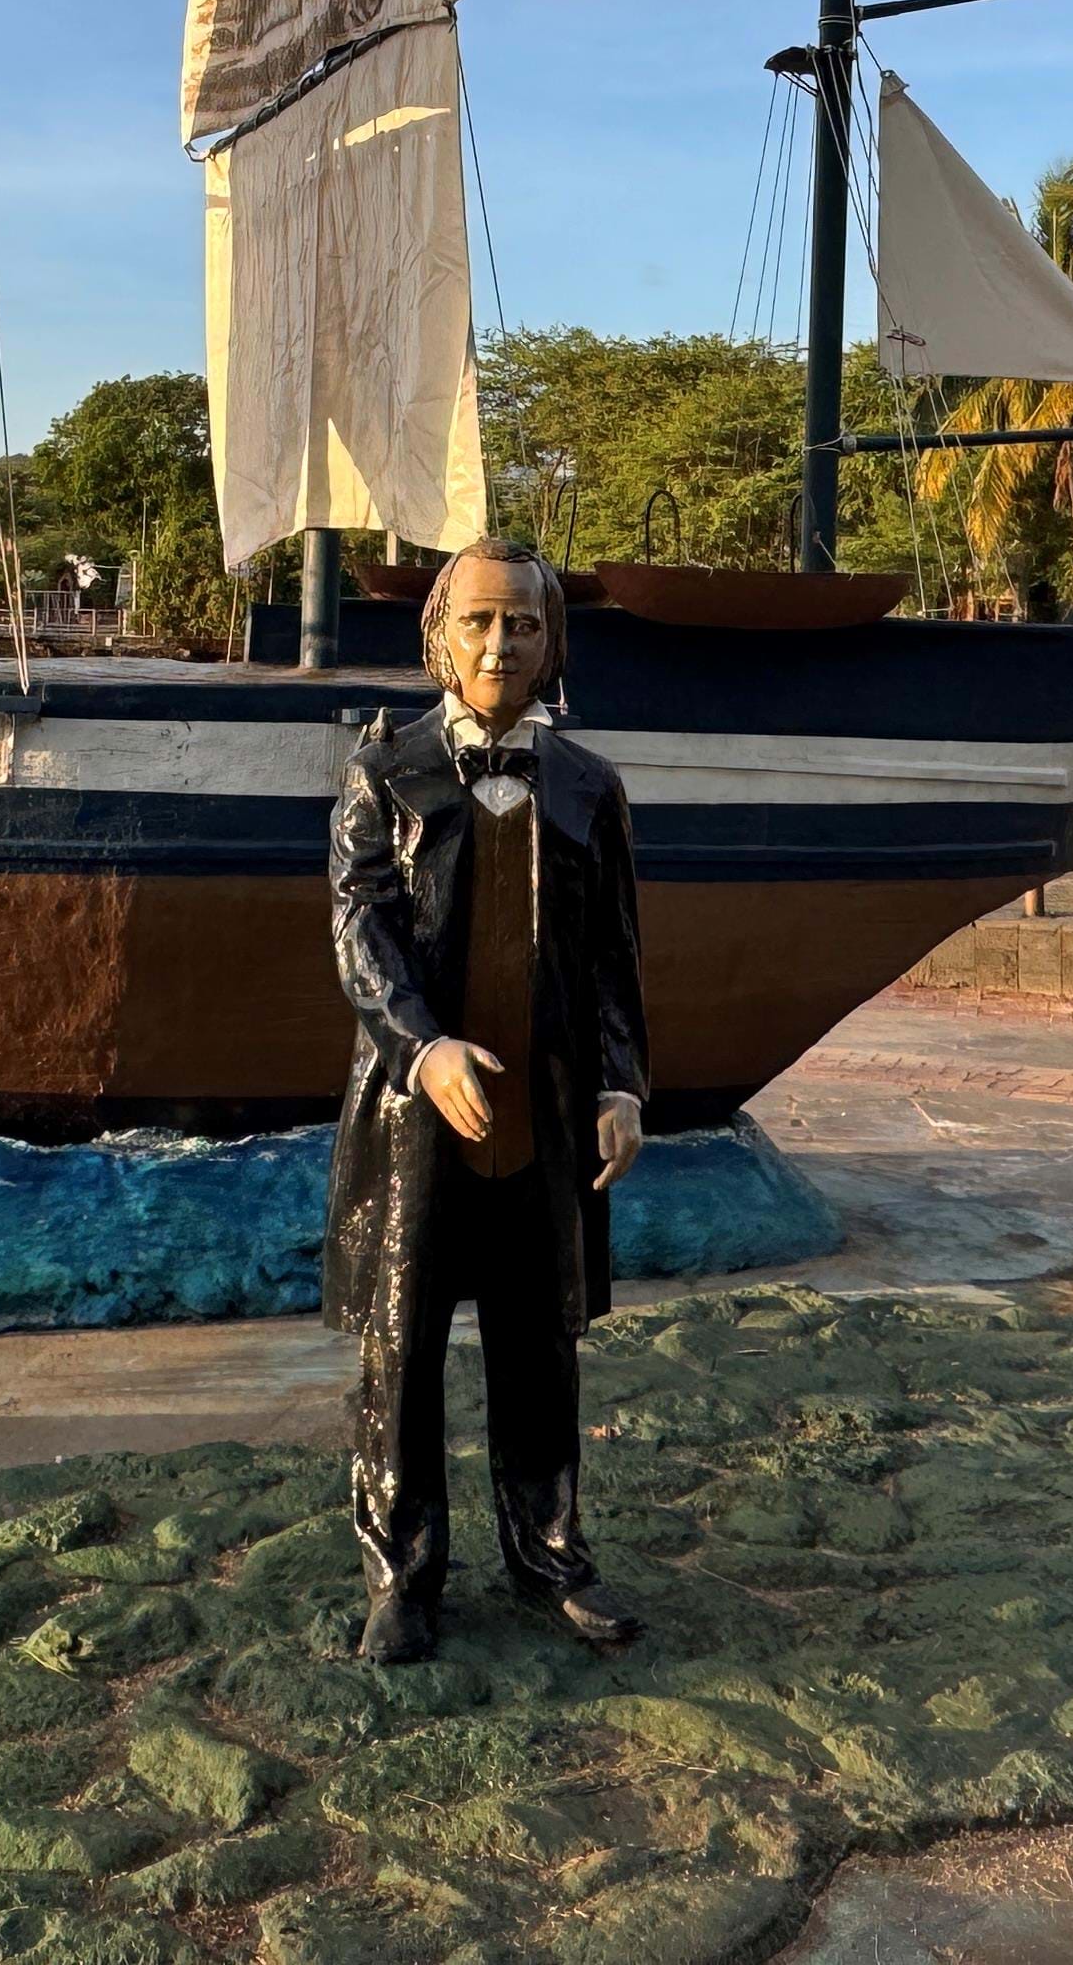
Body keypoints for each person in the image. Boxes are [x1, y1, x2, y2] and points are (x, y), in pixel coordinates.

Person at [324, 536, 650, 1666]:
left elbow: (613, 955)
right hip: (422, 1118)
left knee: (539, 1348)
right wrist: (423, 1049)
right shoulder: (382, 771)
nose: (499, 644)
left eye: (521, 623)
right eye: (478, 622)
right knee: (402, 1350)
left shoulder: (590, 787)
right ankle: (400, 1576)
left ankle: (551, 1558)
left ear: (551, 639)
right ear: (438, 637)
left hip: (544, 1122)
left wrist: (618, 1086)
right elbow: (361, 938)